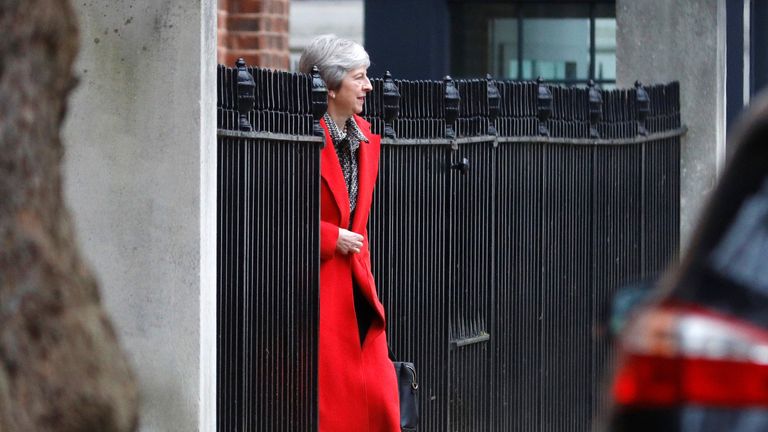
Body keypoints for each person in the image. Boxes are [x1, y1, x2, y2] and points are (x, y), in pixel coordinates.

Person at [299, 35, 400, 432]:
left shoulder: (364, 137)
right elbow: (271, 214)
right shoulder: (302, 137)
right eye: (359, 78)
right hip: (317, 289)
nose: (369, 86)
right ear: (329, 85)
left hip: (358, 286)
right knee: (334, 407)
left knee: (380, 398)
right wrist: (328, 238)